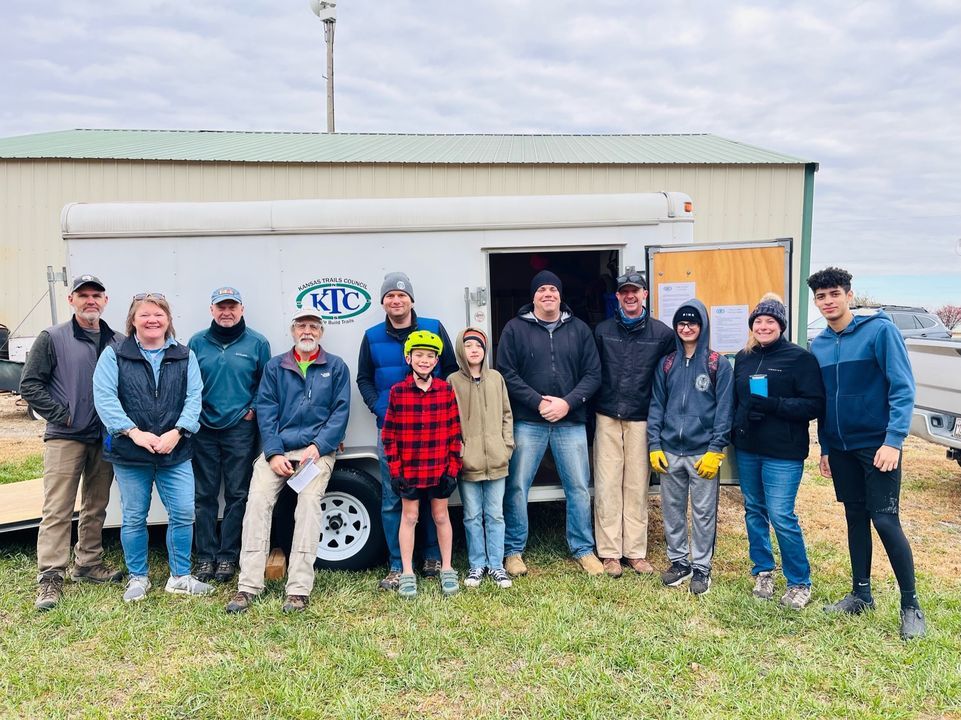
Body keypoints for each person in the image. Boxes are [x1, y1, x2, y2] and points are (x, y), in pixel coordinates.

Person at [807, 267, 926, 640]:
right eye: (821, 296)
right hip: (840, 448)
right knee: (855, 517)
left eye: (834, 294)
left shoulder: (879, 332)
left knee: (885, 520)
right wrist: (826, 447)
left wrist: (894, 440)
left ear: (849, 295)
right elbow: (824, 401)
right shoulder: (819, 345)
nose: (828, 302)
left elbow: (902, 388)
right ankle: (861, 595)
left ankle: (911, 606)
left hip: (878, 447)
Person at [225, 308, 350, 613]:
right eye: (301, 326)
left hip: (316, 453)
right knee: (256, 502)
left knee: (308, 505)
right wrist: (274, 452)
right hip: (279, 451)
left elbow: (340, 413)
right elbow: (266, 411)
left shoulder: (335, 367)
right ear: (293, 331)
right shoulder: (275, 366)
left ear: (321, 332)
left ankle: (298, 590)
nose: (307, 331)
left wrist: (317, 448)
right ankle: (248, 586)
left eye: (313, 326)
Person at [93, 293, 210, 602]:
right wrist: (134, 433)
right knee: (134, 516)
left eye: (158, 314)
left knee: (183, 512)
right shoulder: (114, 354)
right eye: (144, 314)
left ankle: (180, 577)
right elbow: (105, 398)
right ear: (133, 320)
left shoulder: (184, 355)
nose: (152, 320)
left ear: (168, 320)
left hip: (175, 450)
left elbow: (194, 397)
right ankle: (138, 578)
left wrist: (178, 432)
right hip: (131, 452)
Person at [21, 274, 125, 611]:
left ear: (105, 301)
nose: (90, 301)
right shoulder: (52, 337)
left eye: (96, 295)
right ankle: (51, 575)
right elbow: (30, 384)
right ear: (71, 300)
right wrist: (62, 415)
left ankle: (88, 563)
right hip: (65, 437)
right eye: (83, 295)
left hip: (104, 437)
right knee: (58, 507)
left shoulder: (119, 341)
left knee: (96, 504)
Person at [496, 270, 603, 576]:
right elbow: (506, 372)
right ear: (533, 297)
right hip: (529, 421)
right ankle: (513, 551)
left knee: (578, 487)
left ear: (560, 295)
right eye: (542, 289)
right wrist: (538, 402)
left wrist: (567, 403)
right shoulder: (515, 329)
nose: (548, 294)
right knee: (517, 486)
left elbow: (593, 374)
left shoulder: (579, 329)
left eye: (553, 290)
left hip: (570, 421)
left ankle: (583, 549)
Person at [356, 272, 458, 591]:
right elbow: (364, 378)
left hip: (432, 433)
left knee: (432, 496)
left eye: (402, 295)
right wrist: (381, 408)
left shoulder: (433, 328)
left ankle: (432, 557)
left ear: (411, 300)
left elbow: (451, 370)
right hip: (393, 431)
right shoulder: (372, 336)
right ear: (383, 302)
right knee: (394, 498)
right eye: (390, 296)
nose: (396, 300)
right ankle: (398, 565)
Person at [732, 293, 825, 609]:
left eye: (770, 321)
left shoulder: (799, 359)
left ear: (781, 325)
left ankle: (799, 582)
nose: (763, 326)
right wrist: (740, 423)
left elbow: (814, 404)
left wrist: (775, 406)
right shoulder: (744, 358)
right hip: (748, 448)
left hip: (783, 452)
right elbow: (737, 401)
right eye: (758, 321)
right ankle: (763, 571)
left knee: (781, 515)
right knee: (754, 510)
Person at [647, 300, 734, 596]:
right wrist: (654, 444)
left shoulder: (717, 364)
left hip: (702, 453)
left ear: (703, 325)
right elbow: (656, 405)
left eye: (692, 323)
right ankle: (679, 562)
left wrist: (716, 448)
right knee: (672, 510)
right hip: (670, 451)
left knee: (703, 512)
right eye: (681, 323)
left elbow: (725, 410)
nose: (687, 328)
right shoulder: (667, 363)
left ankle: (701, 567)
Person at [592, 271, 674, 577]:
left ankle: (636, 552)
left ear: (644, 295)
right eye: (624, 291)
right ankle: (610, 553)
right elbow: (593, 373)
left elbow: (667, 379)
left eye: (635, 291)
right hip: (607, 415)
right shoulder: (602, 331)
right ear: (617, 296)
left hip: (642, 417)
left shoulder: (662, 334)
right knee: (607, 484)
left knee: (637, 485)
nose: (630, 296)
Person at [188, 286, 271, 584]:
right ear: (211, 310)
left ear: (241, 309)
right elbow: (189, 383)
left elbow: (265, 384)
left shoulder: (257, 343)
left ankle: (227, 556)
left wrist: (252, 410)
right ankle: (205, 556)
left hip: (240, 429)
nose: (226, 312)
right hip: (204, 429)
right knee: (205, 494)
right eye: (221, 307)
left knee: (237, 493)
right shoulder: (197, 342)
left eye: (232, 306)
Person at [381, 331, 463, 598]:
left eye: (430, 356)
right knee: (409, 517)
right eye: (419, 355)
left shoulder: (445, 391)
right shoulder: (398, 392)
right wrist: (396, 472)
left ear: (436, 361)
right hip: (410, 469)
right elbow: (389, 435)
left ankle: (447, 567)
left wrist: (452, 471)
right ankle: (407, 571)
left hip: (438, 467)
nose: (424, 360)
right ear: (409, 358)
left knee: (441, 516)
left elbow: (454, 433)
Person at [448, 327, 514, 589]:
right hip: (468, 463)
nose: (474, 350)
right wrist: (460, 451)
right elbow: (450, 420)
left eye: (478, 346)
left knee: (495, 515)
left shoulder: (496, 378)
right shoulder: (453, 381)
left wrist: (506, 446)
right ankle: (477, 565)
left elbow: (507, 414)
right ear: (460, 350)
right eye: (468, 346)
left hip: (497, 460)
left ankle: (496, 566)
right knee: (472, 515)